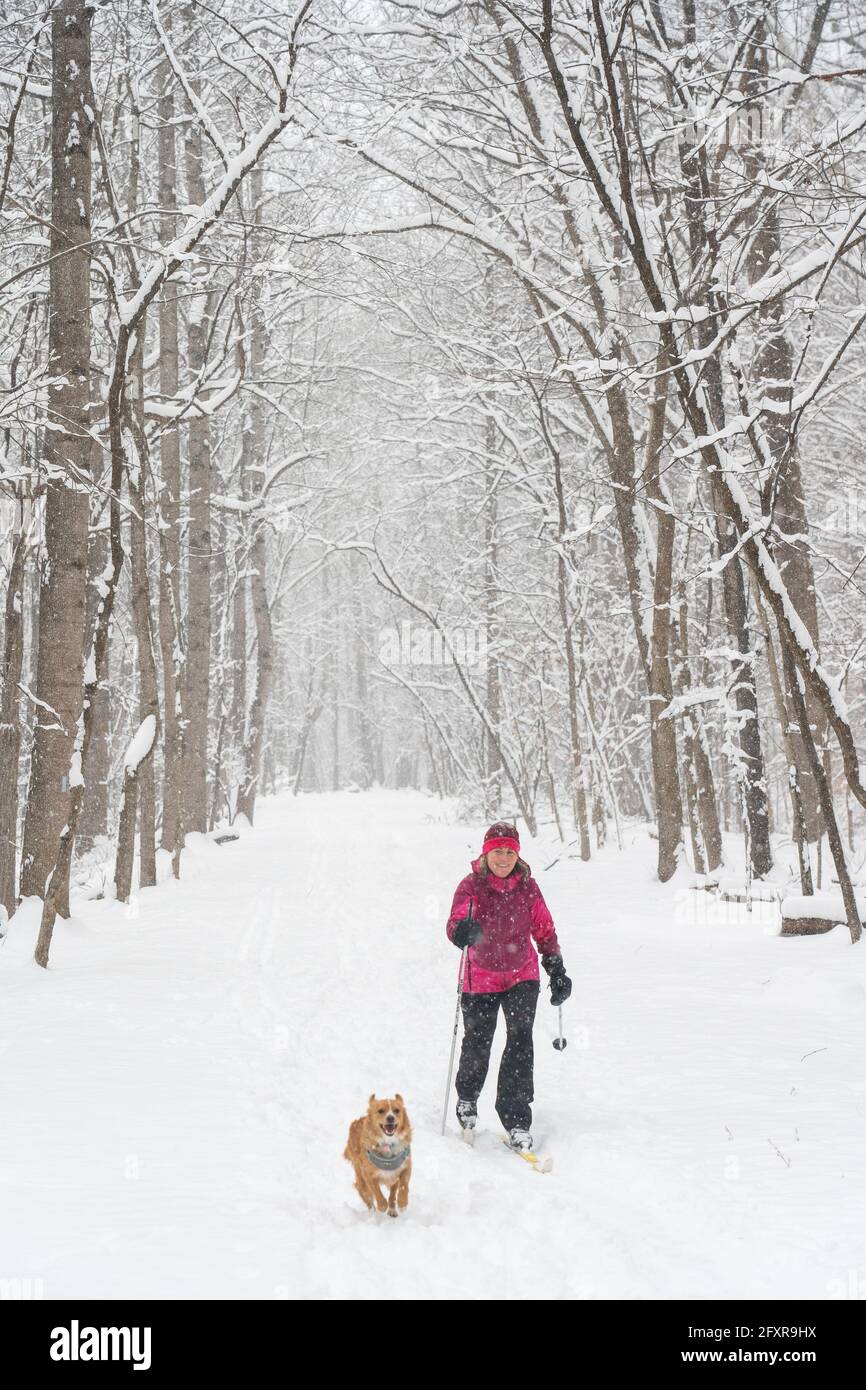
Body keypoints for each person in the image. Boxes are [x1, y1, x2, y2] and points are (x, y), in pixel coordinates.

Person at [445, 821, 571, 1152]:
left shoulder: (528, 888)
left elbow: (544, 929)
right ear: (486, 853)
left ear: (518, 854)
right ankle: (468, 1098)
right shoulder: (471, 886)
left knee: (519, 1042)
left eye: (510, 852)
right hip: (481, 977)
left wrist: (555, 968)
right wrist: (462, 933)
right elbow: (455, 922)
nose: (504, 858)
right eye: (497, 851)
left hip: (522, 975)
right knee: (478, 1041)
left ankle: (516, 1118)